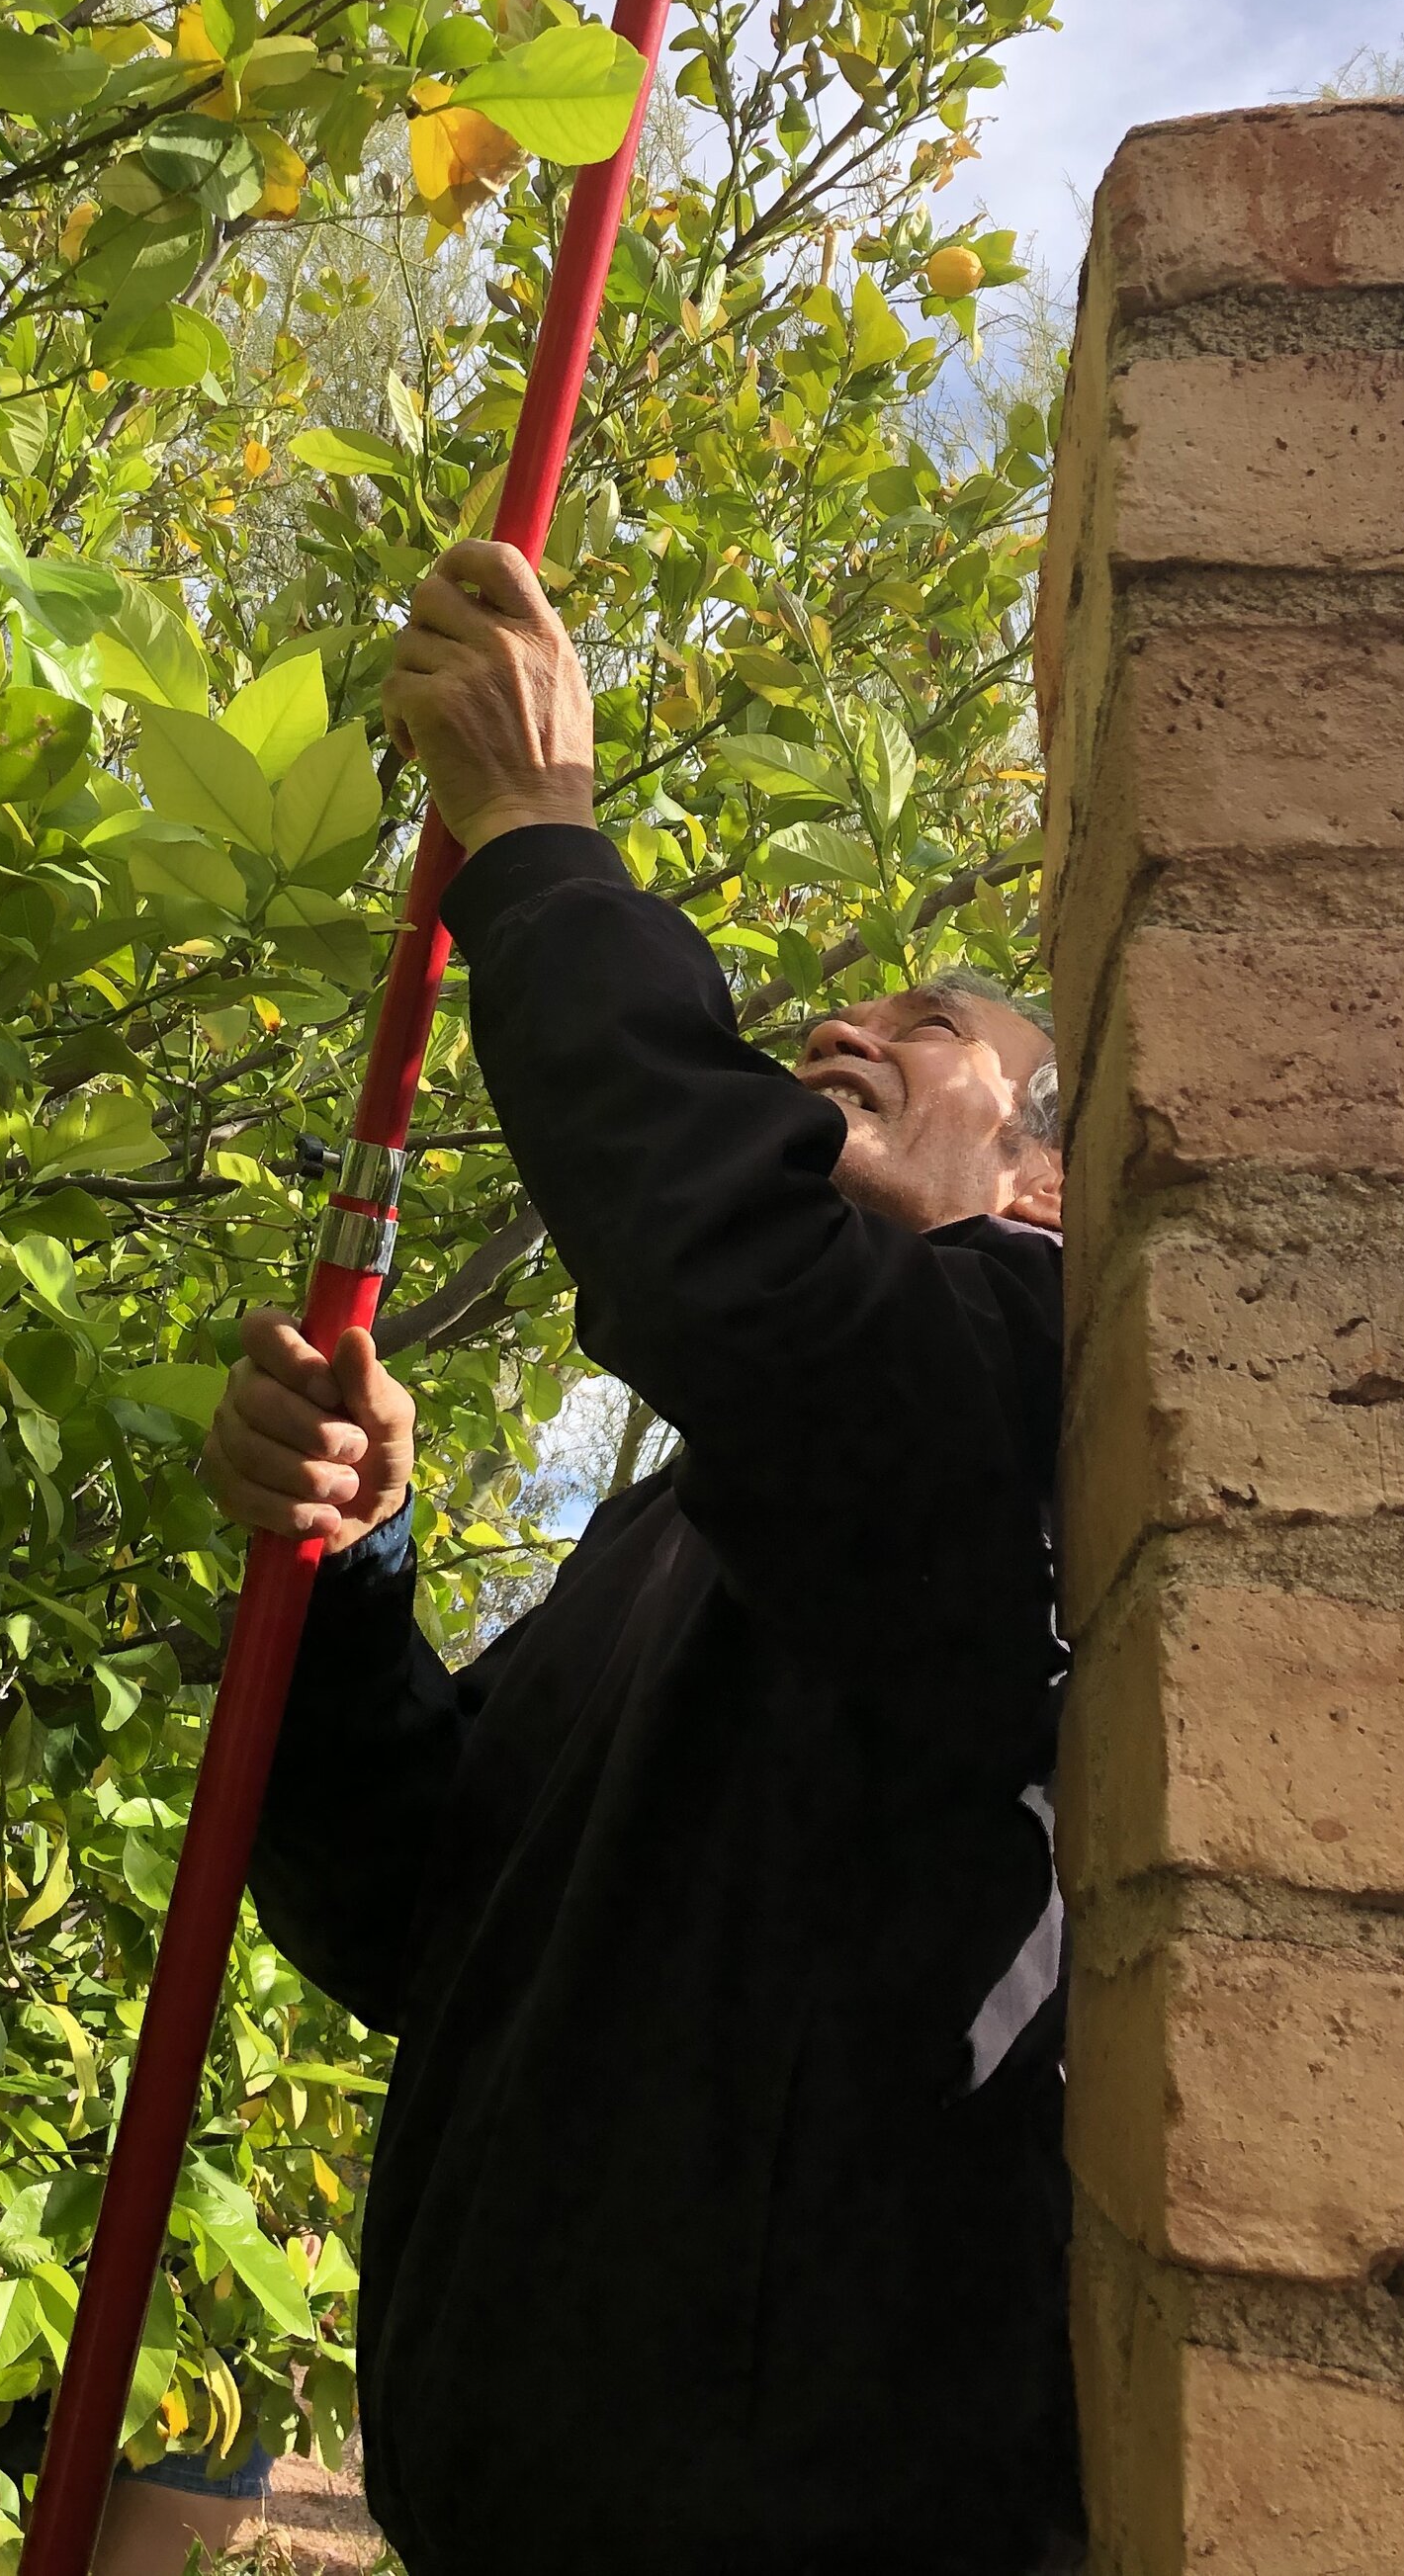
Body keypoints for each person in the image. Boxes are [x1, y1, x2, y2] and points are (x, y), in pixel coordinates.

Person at [203, 542, 1079, 2576]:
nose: (845, 1018)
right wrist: (347, 1570)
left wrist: (533, 843)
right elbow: (405, 1906)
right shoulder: (684, 1518)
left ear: (1044, 1167)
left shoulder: (1045, 1398)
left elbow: (728, 1263)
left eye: (928, 1017)